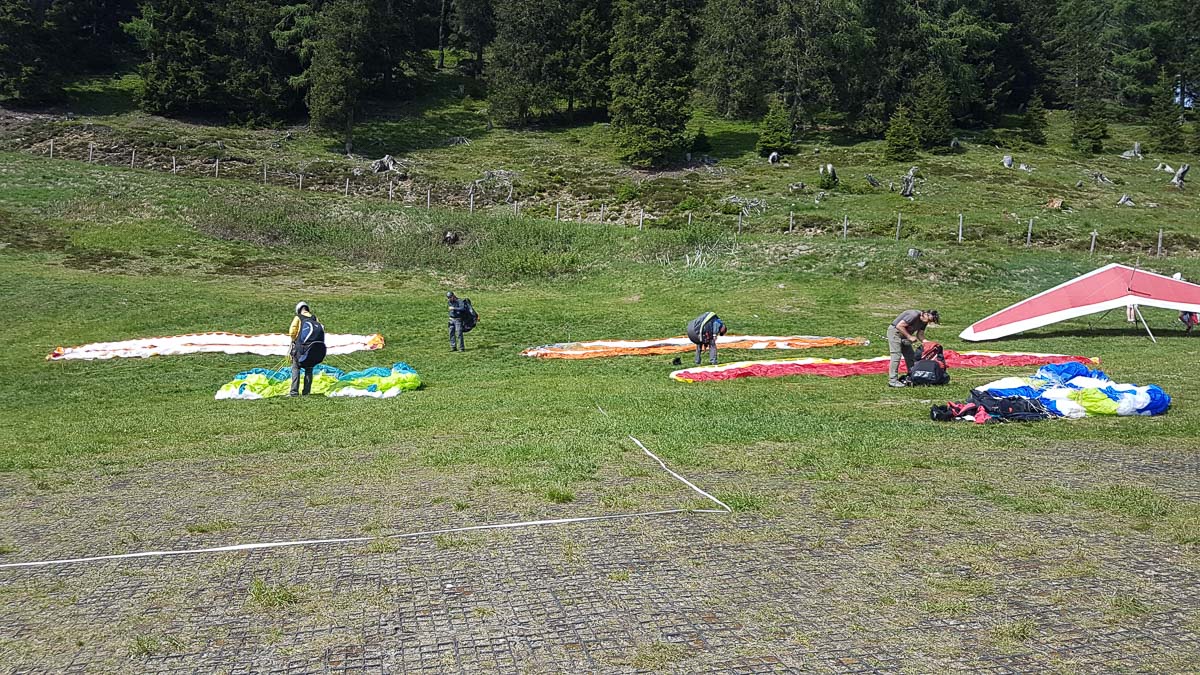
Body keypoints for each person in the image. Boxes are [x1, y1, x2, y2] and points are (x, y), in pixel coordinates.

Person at [888, 309, 939, 388]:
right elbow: (899, 326)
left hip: (905, 334)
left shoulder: (924, 321)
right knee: (896, 356)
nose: (928, 322)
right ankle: (893, 380)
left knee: (910, 356)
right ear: (926, 314)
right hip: (895, 332)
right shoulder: (913, 315)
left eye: (930, 321)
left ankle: (912, 376)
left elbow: (920, 335)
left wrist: (927, 343)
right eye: (929, 320)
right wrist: (909, 337)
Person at [288, 301, 326, 397]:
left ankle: (294, 392)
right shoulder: (314, 318)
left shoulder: (298, 317)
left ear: (298, 310)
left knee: (296, 367)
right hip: (313, 348)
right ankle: (306, 392)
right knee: (309, 368)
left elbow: (292, 332)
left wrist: (294, 341)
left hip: (301, 347)